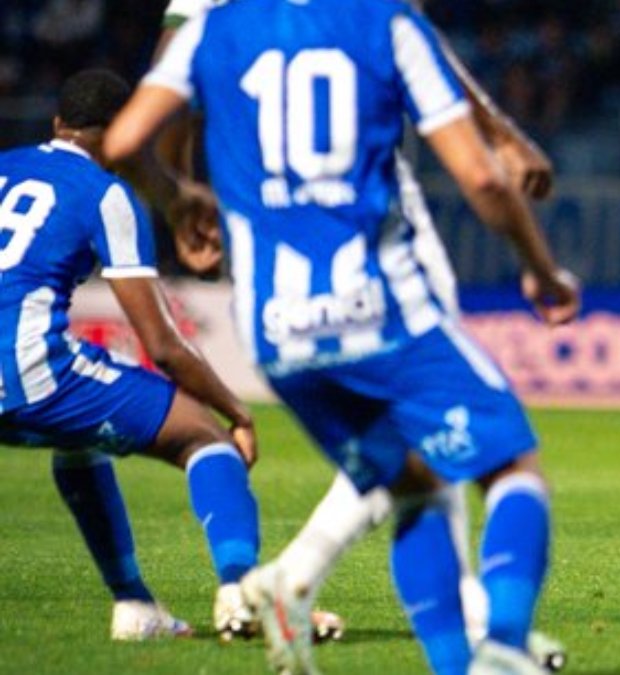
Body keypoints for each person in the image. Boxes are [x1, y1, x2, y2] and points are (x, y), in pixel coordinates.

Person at [104, 2, 581, 674]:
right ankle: (502, 644)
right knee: (510, 467)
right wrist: (541, 268)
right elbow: (479, 177)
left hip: (275, 333)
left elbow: (124, 142)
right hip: (379, 308)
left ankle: (439, 651)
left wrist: (176, 195)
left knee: (412, 483)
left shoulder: (214, 29)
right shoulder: (385, 22)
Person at [0, 68, 264, 641]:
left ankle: (135, 605)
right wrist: (236, 411)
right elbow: (164, 345)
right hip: (26, 372)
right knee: (204, 437)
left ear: (57, 124)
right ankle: (242, 591)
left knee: (79, 440)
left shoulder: (7, 164)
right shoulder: (105, 192)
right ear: (123, 133)